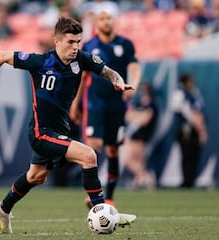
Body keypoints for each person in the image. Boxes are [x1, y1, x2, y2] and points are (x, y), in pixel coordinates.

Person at [0, 16, 136, 234]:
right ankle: (104, 212)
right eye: (71, 42)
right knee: (88, 155)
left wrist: (117, 80)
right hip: (41, 132)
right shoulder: (40, 62)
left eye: (78, 42)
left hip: (60, 130)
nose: (75, 47)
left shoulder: (82, 59)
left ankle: (3, 208)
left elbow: (109, 71)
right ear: (57, 41)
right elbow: (0, 55)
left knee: (36, 176)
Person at [69, 6, 141, 207]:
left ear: (114, 21)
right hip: (95, 104)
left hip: (117, 105)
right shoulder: (89, 46)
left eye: (109, 18)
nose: (106, 21)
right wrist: (75, 104)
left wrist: (133, 83)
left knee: (112, 151)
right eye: (102, 18)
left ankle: (109, 197)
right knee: (93, 146)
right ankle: (93, 195)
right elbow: (83, 77)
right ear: (97, 23)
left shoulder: (125, 44)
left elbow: (134, 67)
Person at [172, 72, 208, 188]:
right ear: (186, 82)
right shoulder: (180, 94)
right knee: (187, 155)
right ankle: (187, 181)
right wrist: (201, 130)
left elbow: (199, 112)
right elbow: (191, 114)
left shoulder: (194, 93)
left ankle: (190, 180)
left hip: (192, 129)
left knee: (193, 156)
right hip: (186, 129)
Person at [123, 82, 158, 189]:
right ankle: (141, 178)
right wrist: (138, 116)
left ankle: (144, 177)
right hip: (136, 136)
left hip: (141, 136)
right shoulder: (140, 104)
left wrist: (136, 116)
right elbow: (128, 115)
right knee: (137, 160)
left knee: (132, 159)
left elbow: (144, 120)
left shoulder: (151, 105)